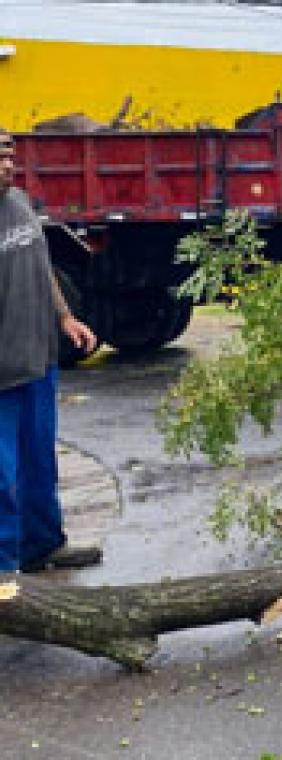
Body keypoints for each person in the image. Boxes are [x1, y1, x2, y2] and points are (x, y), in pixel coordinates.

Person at [0, 126, 102, 573]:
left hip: (39, 361)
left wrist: (64, 317)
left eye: (10, 156)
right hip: (1, 373)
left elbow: (42, 270)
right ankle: (4, 570)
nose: (9, 165)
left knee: (39, 461)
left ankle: (43, 545)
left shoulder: (20, 204)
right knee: (1, 476)